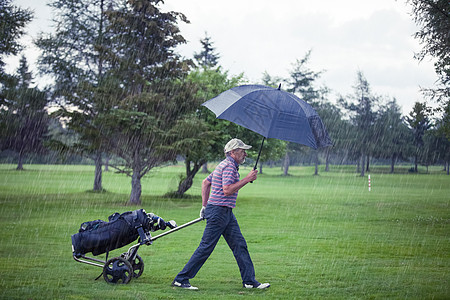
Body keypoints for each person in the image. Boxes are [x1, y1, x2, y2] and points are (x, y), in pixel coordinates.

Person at [172, 138, 270, 290]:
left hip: (224, 212)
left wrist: (205, 207)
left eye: (245, 151)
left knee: (239, 245)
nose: (245, 153)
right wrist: (247, 179)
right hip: (219, 212)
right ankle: (181, 279)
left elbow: (206, 183)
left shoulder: (224, 164)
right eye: (242, 150)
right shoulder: (229, 166)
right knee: (206, 247)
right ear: (232, 152)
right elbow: (227, 190)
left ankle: (249, 281)